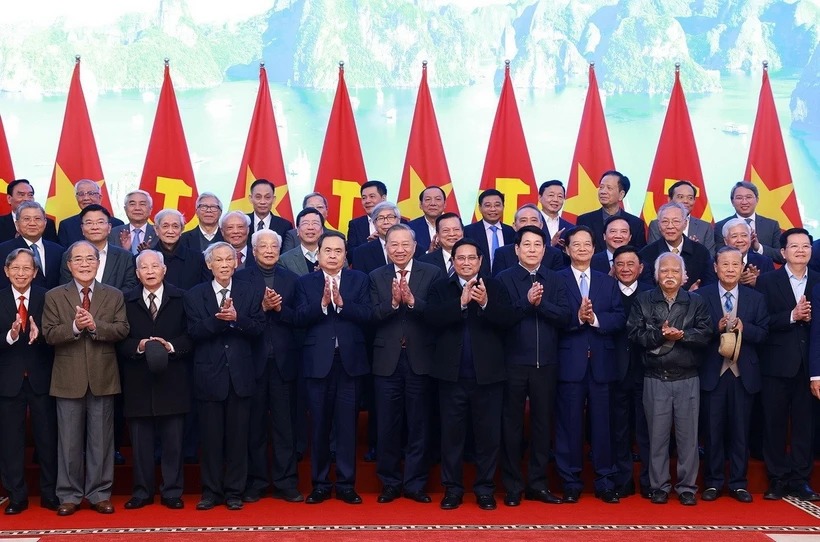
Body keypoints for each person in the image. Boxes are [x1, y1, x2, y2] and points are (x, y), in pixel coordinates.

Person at [42, 240, 130, 516]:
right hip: (67, 378)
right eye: (78, 259)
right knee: (68, 441)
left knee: (101, 441)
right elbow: (49, 334)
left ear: (98, 263)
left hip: (103, 376)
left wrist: (94, 326)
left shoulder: (113, 295)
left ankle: (99, 494)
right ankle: (68, 495)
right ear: (69, 265)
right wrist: (74, 326)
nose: (84, 264)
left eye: (90, 259)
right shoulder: (55, 296)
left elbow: (122, 329)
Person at [425, 238, 514, 511]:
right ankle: (452, 490)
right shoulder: (441, 287)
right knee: (451, 437)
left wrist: (485, 303)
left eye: (471, 258)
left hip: (488, 377)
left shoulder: (495, 286)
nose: (466, 263)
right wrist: (460, 304)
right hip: (451, 377)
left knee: (488, 437)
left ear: (480, 261)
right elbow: (431, 319)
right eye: (460, 258)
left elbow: (509, 320)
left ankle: (485, 489)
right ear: (453, 261)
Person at [183, 242, 266, 511]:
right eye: (218, 260)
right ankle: (211, 491)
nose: (224, 264)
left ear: (236, 263)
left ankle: (234, 491)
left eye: (228, 259)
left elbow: (259, 328)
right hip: (209, 376)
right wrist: (220, 320)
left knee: (238, 439)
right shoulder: (194, 294)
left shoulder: (249, 291)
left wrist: (237, 318)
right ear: (209, 265)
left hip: (241, 376)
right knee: (211, 439)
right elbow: (193, 332)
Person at [627, 252, 712, 506]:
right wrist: (661, 335)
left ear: (684, 276)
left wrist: (682, 335)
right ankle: (659, 486)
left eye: (675, 271)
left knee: (688, 438)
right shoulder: (643, 300)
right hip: (655, 377)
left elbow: (706, 334)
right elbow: (634, 334)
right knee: (657, 437)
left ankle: (687, 487)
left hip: (688, 377)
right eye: (664, 271)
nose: (670, 275)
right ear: (656, 275)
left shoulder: (696, 301)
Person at [294, 231, 371, 505]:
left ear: (346, 254)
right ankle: (321, 484)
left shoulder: (359, 279)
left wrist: (343, 304)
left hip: (350, 363)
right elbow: (298, 318)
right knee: (319, 426)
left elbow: (369, 315)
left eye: (338, 251)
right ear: (318, 254)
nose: (333, 255)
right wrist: (323, 305)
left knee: (347, 426)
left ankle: (347, 485)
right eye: (327, 250)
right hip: (318, 364)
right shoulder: (305, 282)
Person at [496, 225, 569, 506]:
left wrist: (541, 305)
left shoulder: (556, 278)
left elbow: (565, 316)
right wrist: (527, 303)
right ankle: (513, 485)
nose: (532, 249)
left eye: (537, 245)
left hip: (546, 364)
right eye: (526, 244)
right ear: (516, 249)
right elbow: (501, 318)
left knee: (542, 426)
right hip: (512, 363)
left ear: (544, 249)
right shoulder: (503, 278)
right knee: (511, 426)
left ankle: (538, 484)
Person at [370, 224, 443, 504]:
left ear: (414, 246)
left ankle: (415, 483)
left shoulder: (432, 273)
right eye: (394, 244)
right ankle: (389, 482)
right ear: (386, 247)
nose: (399, 249)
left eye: (405, 244)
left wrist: (413, 302)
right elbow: (370, 316)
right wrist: (392, 304)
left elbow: (437, 314)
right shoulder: (376, 275)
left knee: (419, 424)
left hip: (420, 360)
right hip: (386, 361)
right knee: (387, 425)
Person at [555, 226, 626, 504]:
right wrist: (576, 318)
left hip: (602, 365)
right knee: (569, 425)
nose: (582, 248)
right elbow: (552, 316)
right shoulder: (557, 280)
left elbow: (619, 317)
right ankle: (571, 482)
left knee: (603, 425)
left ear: (595, 248)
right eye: (576, 244)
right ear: (567, 249)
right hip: (569, 363)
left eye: (587, 244)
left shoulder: (607, 281)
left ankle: (605, 481)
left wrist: (595, 319)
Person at [118, 250, 192, 510]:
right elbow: (118, 338)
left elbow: (191, 335)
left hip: (173, 379)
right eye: (144, 267)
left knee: (173, 442)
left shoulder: (182, 298)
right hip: (138, 380)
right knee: (140, 443)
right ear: (137, 273)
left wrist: (169, 346)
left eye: (155, 266)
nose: (150, 271)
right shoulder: (125, 300)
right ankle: (142, 491)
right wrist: (138, 346)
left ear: (164, 270)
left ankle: (172, 491)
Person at [236, 230, 304, 504]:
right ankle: (256, 482)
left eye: (273, 246)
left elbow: (299, 317)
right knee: (254, 427)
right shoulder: (240, 278)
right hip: (252, 361)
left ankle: (286, 482)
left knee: (284, 426)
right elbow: (238, 317)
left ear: (280, 250)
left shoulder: (292, 279)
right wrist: (262, 308)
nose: (268, 250)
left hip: (284, 362)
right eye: (262, 246)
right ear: (253, 251)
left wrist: (279, 310)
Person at [697, 246, 769, 504]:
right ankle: (713, 482)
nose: (730, 269)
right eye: (724, 264)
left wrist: (744, 328)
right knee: (712, 431)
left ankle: (738, 483)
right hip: (712, 373)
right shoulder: (701, 296)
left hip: (743, 375)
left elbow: (764, 334)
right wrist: (713, 329)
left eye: (735, 265)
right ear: (715, 268)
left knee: (741, 431)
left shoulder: (755, 298)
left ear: (742, 268)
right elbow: (694, 333)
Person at [756, 228, 820, 501]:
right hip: (776, 365)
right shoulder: (767, 281)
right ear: (782, 252)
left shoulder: (818, 280)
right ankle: (777, 478)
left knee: (805, 426)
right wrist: (792, 316)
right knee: (774, 424)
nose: (801, 251)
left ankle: (800, 479)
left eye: (805, 246)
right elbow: (761, 321)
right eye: (794, 246)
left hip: (809, 367)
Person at [0, 248, 58, 515]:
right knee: (11, 442)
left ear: (35, 272)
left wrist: (42, 334)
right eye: (16, 268)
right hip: (8, 381)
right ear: (6, 271)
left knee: (47, 439)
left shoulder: (49, 297)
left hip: (42, 379)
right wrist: (10, 336)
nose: (21, 273)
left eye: (27, 268)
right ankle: (17, 496)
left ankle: (50, 493)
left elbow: (58, 335)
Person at [609, 245, 653, 499]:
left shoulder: (651, 293)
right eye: (620, 264)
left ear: (641, 268)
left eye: (630, 264)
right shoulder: (606, 290)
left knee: (647, 429)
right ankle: (623, 479)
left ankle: (649, 480)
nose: (625, 269)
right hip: (615, 370)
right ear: (613, 268)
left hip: (647, 370)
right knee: (619, 429)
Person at [59, 204, 138, 292]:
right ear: (82, 228)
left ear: (109, 227)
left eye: (100, 222)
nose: (95, 227)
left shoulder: (125, 257)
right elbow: (66, 288)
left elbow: (130, 287)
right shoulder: (69, 255)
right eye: (89, 223)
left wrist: (108, 300)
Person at [639, 202, 715, 290]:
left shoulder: (701, 252)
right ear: (659, 225)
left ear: (685, 224)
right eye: (665, 221)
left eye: (676, 221)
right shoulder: (647, 254)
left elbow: (709, 285)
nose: (670, 226)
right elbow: (645, 289)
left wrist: (695, 295)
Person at [0, 201, 65, 290]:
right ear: (17, 224)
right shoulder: (3, 250)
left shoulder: (58, 250)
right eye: (27, 219)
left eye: (37, 219)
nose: (32, 223)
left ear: (45, 222)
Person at [576, 170, 645, 252]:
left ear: (621, 195)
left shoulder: (636, 224)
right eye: (601, 187)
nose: (603, 192)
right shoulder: (585, 220)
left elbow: (640, 254)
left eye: (609, 188)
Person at [714, 181, 783, 264]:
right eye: (739, 198)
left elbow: (781, 256)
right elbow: (718, 256)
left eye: (748, 197)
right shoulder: (721, 226)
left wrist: (758, 247)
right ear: (732, 201)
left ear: (757, 199)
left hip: (764, 271)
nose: (744, 202)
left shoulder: (771, 225)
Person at [491, 204, 564, 276]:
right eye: (523, 220)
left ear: (541, 225)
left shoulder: (555, 254)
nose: (529, 224)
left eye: (533, 220)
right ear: (514, 226)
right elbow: (498, 282)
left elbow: (556, 281)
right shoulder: (502, 253)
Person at [647, 180, 715, 255]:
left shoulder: (705, 227)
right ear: (669, 199)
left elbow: (710, 257)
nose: (685, 201)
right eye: (680, 197)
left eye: (690, 198)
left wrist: (695, 248)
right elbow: (652, 253)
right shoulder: (656, 224)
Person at [151, 209, 208, 290]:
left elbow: (205, 290)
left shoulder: (198, 259)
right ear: (156, 229)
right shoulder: (143, 259)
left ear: (182, 229)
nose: (170, 231)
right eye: (165, 226)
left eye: (175, 226)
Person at [57, 179, 123, 247]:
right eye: (81, 194)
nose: (86, 198)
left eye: (91, 193)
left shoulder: (117, 224)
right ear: (76, 198)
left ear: (100, 197)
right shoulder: (66, 225)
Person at [463, 189, 514, 275]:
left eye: (497, 205)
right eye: (488, 205)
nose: (493, 209)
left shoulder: (511, 232)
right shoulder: (468, 231)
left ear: (503, 207)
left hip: (506, 279)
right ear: (480, 208)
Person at [721, 218, 774, 288]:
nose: (740, 240)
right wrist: (735, 282)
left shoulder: (765, 262)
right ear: (726, 241)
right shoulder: (716, 264)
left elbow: (773, 291)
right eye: (734, 236)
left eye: (744, 235)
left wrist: (758, 282)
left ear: (750, 238)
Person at [0, 179, 58, 244]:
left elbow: (52, 247)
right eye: (21, 195)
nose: (26, 199)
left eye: (30, 195)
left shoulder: (48, 223)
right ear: (9, 199)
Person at [352, 201, 400, 275]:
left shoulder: (413, 248)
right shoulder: (361, 253)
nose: (386, 222)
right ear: (374, 223)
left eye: (390, 217)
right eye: (380, 218)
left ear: (398, 221)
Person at [279, 207, 325, 276]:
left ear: (322, 230)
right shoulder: (285, 260)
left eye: (315, 223)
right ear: (297, 230)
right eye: (305, 223)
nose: (310, 227)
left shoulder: (333, 256)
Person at [108, 190, 156, 255]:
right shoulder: (113, 233)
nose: (137, 208)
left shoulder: (158, 233)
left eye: (142, 204)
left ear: (150, 209)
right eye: (132, 204)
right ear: (125, 209)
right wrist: (124, 251)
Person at [347, 180, 388, 252]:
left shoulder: (400, 222)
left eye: (372, 196)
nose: (367, 201)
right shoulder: (355, 225)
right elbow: (350, 254)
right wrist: (368, 244)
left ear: (383, 198)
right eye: (364, 198)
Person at [407, 186, 447, 257]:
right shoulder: (410, 227)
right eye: (428, 199)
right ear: (420, 205)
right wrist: (428, 253)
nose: (433, 203)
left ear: (445, 204)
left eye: (438, 199)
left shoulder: (455, 225)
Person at [537, 180, 574, 247]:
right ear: (540, 198)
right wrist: (551, 244)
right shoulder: (533, 223)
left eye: (560, 196)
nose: (555, 200)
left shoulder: (571, 228)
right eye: (551, 195)